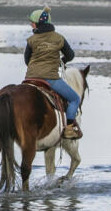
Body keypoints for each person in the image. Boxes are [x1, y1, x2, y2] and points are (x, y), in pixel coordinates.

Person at [23, 7, 83, 139]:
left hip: (30, 78)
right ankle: (68, 128)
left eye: (32, 22)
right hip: (50, 78)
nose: (30, 24)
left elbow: (27, 60)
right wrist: (62, 60)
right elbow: (71, 55)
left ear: (38, 24)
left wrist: (36, 68)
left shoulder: (31, 40)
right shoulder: (59, 38)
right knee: (74, 99)